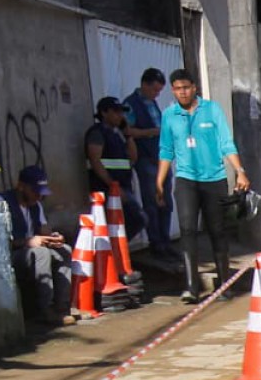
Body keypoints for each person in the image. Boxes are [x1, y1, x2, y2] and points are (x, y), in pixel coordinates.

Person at [156, 69, 247, 303]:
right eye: (177, 88)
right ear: (173, 90)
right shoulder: (169, 115)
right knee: (187, 230)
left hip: (214, 179)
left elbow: (226, 143)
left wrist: (240, 171)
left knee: (217, 230)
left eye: (186, 87)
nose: (182, 92)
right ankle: (191, 287)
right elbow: (166, 150)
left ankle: (224, 285)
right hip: (186, 179)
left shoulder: (212, 110)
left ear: (194, 87)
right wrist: (159, 181)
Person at [0, 165, 75, 328]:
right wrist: (27, 242)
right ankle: (45, 309)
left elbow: (45, 230)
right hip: (11, 255)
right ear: (21, 186)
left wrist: (54, 238)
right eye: (35, 191)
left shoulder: (35, 205)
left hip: (33, 250)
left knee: (64, 250)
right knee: (41, 253)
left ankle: (63, 307)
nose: (38, 196)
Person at [122, 68, 173, 260]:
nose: (157, 94)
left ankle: (166, 241)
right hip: (146, 160)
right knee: (152, 203)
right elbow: (128, 131)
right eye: (154, 90)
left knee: (166, 203)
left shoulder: (153, 103)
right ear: (144, 84)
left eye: (159, 91)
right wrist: (151, 132)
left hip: (162, 159)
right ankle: (156, 244)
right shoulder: (131, 105)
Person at [85, 96, 134, 199]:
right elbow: (95, 161)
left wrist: (128, 135)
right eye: (116, 112)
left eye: (121, 112)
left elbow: (133, 158)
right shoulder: (97, 133)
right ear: (104, 112)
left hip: (124, 186)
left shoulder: (117, 134)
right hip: (106, 189)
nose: (120, 116)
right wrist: (113, 185)